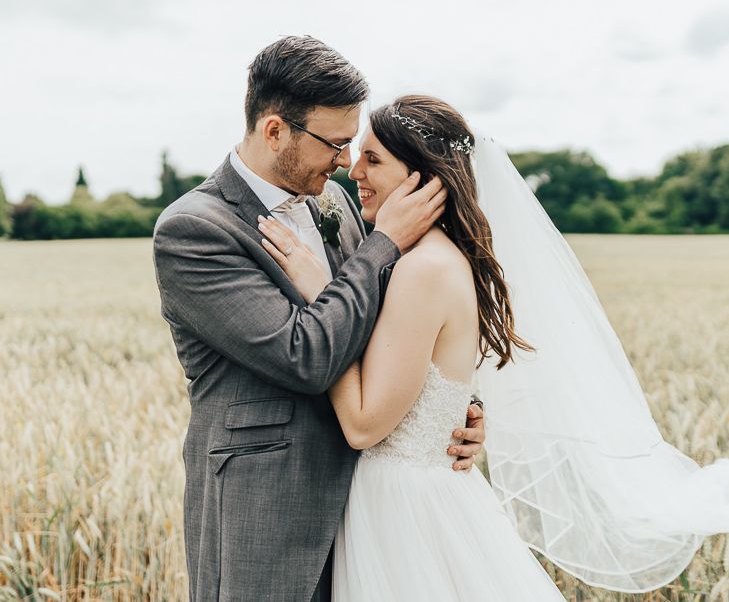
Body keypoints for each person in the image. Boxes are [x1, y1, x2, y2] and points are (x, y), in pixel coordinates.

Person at [260, 94, 729, 599]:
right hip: (414, 492)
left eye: (374, 159)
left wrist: (319, 296)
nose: (355, 172)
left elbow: (362, 425)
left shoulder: (425, 270)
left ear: (423, 177)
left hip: (405, 510)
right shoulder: (422, 260)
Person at [152, 38, 486, 602]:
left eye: (353, 145)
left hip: (374, 509)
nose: (344, 162)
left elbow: (389, 329)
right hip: (267, 510)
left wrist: (450, 412)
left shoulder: (334, 204)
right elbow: (304, 356)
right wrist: (383, 245)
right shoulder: (194, 230)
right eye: (333, 143)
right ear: (275, 130)